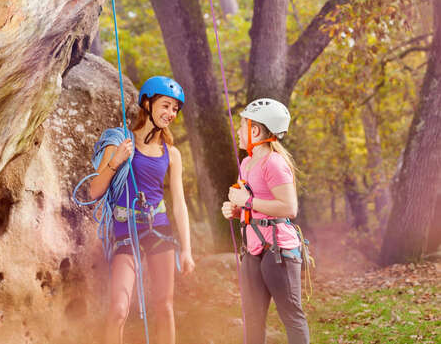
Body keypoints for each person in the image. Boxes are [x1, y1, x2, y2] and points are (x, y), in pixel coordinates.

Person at [89, 76, 195, 344]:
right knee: (118, 311)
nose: (171, 113)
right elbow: (94, 191)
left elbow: (179, 203)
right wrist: (116, 161)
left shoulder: (171, 154)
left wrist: (187, 250)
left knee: (165, 307)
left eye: (175, 109)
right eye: (166, 105)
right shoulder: (120, 142)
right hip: (126, 231)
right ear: (147, 103)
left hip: (158, 228)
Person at [221, 98, 310, 344]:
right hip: (253, 249)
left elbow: (289, 208)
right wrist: (237, 210)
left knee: (291, 315)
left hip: (279, 249)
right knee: (252, 317)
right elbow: (256, 205)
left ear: (256, 130)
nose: (238, 131)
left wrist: (247, 202)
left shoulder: (275, 162)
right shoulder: (247, 163)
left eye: (242, 126)